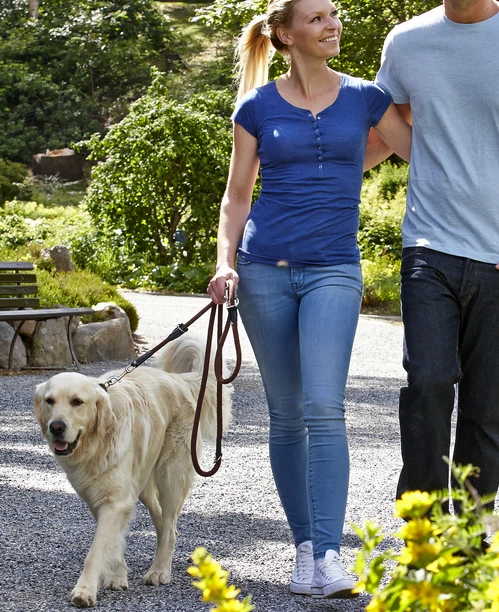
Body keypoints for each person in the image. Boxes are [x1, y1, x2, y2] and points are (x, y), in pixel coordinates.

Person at [204, 0, 413, 599]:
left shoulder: (366, 99)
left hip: (334, 271)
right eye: (318, 17)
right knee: (286, 413)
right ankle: (302, 551)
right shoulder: (256, 107)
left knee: (324, 405)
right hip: (263, 270)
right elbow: (237, 197)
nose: (332, 24)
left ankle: (329, 556)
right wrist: (225, 263)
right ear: (285, 35)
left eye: (335, 14)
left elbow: (422, 153)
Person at [373, 0, 499, 506]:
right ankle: (423, 522)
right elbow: (385, 124)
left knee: (486, 406)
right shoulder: (406, 41)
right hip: (429, 243)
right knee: (428, 382)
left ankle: (472, 532)